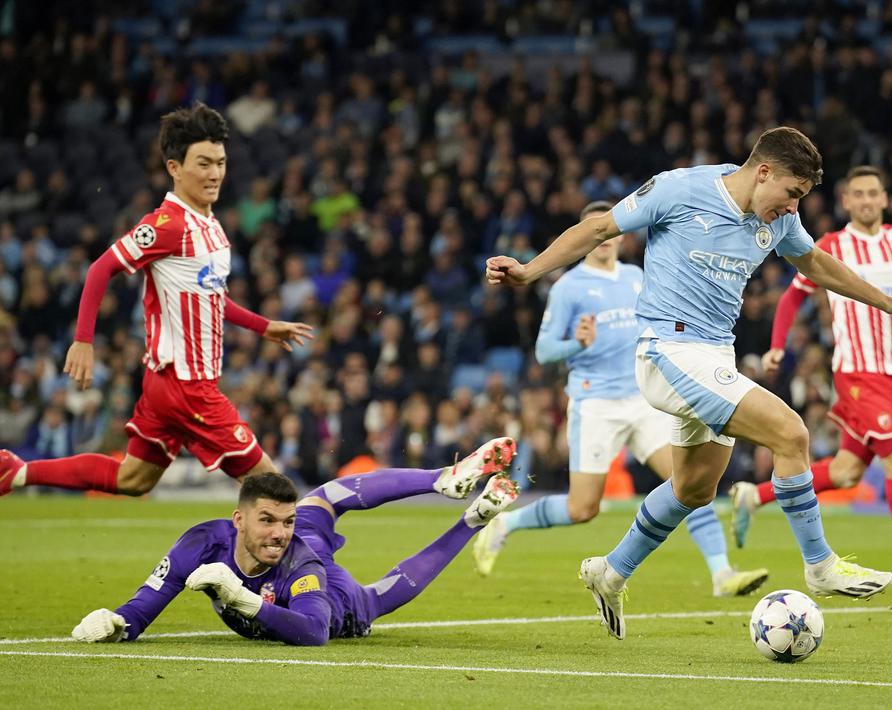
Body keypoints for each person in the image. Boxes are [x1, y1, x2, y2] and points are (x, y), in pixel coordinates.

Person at [486, 127, 892, 639]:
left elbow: (814, 263)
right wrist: (529, 271)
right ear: (763, 171)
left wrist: (888, 301)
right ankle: (820, 565)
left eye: (801, 199)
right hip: (667, 349)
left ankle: (611, 572)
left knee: (694, 488)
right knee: (791, 433)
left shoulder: (780, 220)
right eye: (792, 193)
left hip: (714, 353)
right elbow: (599, 230)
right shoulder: (681, 189)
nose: (792, 208)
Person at [0, 103, 313, 497]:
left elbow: (211, 299)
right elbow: (100, 269)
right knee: (272, 487)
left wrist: (264, 326)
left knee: (133, 479)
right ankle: (286, 558)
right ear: (174, 168)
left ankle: (18, 472)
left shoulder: (211, 225)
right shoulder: (167, 225)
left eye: (220, 162)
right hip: (187, 386)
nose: (215, 173)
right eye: (203, 163)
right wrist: (83, 340)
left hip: (168, 384)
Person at [473, 201, 769, 598]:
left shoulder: (637, 276)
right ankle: (505, 524)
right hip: (595, 403)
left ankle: (721, 574)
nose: (602, 239)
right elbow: (543, 351)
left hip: (644, 399)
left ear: (620, 235)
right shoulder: (567, 287)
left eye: (607, 228)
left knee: (688, 481)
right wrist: (574, 344)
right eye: (592, 230)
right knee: (583, 509)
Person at [729, 165, 892, 590]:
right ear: (846, 201)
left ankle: (753, 496)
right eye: (859, 194)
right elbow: (793, 296)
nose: (867, 200)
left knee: (849, 471)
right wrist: (778, 344)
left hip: (891, 375)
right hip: (856, 372)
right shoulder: (832, 245)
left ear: (885, 198)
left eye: (874, 193)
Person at [70, 438, 519, 645]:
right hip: (285, 563)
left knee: (376, 596)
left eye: (285, 520)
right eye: (267, 520)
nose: (279, 531)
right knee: (319, 499)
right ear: (237, 520)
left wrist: (240, 598)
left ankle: (450, 491)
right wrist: (118, 623)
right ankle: (473, 511)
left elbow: (314, 632)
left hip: (335, 604)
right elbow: (147, 602)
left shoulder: (300, 561)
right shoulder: (202, 542)